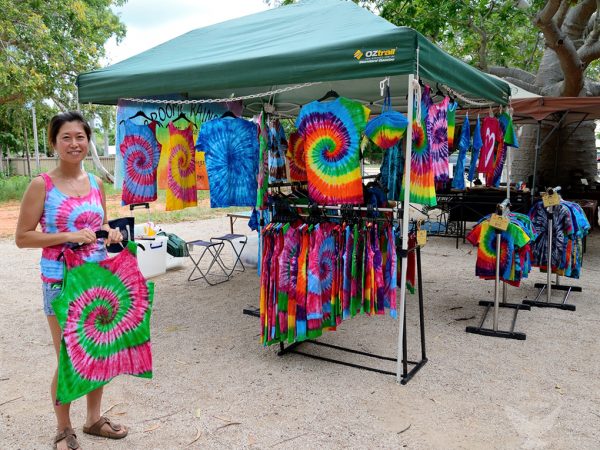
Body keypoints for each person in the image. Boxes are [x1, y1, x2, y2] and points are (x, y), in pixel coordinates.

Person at [15, 111, 128, 450]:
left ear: (87, 141)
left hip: (96, 276)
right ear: (54, 142)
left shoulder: (94, 182)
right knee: (69, 356)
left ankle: (93, 419)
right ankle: (63, 428)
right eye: (66, 137)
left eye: (80, 137)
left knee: (98, 351)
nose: (74, 143)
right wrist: (67, 236)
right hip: (60, 281)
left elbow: (101, 225)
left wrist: (112, 233)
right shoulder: (41, 185)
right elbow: (22, 237)